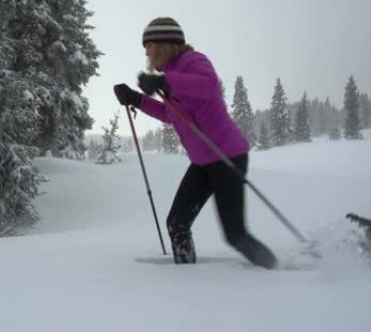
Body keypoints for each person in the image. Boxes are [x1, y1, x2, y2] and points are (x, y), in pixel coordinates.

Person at [113, 17, 277, 269]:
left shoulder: (193, 61)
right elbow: (171, 114)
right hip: (202, 163)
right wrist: (135, 99)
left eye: (149, 44)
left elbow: (209, 87)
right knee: (176, 223)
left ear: (164, 43)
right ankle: (186, 276)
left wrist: (166, 83)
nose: (145, 51)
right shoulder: (169, 74)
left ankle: (274, 269)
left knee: (235, 234)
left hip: (227, 157)